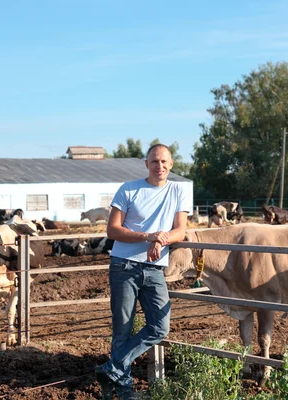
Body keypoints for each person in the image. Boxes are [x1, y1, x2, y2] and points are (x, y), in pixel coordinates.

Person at [95, 144, 189, 400]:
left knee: (160, 326)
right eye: (154, 161)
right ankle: (124, 387)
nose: (159, 166)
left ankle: (111, 369)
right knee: (122, 329)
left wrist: (160, 241)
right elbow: (112, 230)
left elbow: (180, 230)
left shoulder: (178, 191)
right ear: (146, 164)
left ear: (171, 164)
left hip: (155, 268)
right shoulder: (129, 189)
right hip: (124, 266)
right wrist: (148, 236)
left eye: (164, 162)